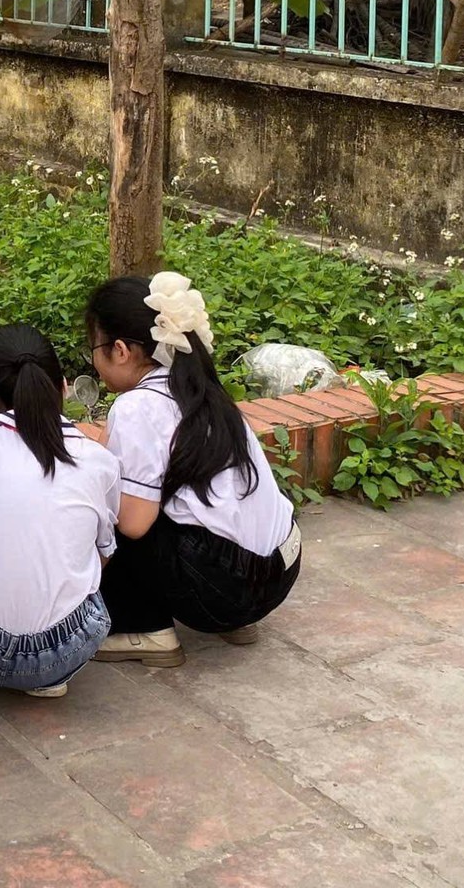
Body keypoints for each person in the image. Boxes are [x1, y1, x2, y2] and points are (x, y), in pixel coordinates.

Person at [84, 273, 301, 667]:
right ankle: (235, 619)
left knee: (114, 510)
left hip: (228, 590)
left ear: (120, 350)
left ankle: (145, 628)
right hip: (281, 569)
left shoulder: (136, 407)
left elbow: (133, 525)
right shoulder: (200, 388)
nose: (94, 363)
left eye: (93, 349)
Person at [0, 324, 120, 700]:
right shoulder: (100, 460)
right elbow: (102, 554)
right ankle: (45, 678)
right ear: (63, 387)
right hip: (67, 648)